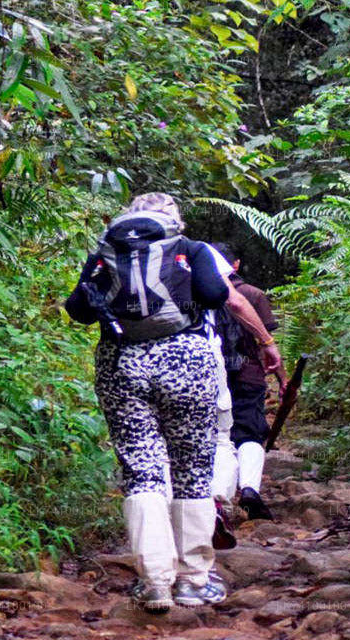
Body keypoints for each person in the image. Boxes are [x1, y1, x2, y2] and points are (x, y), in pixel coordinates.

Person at [64, 193, 236, 612]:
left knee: (142, 470)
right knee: (193, 467)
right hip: (185, 362)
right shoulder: (190, 249)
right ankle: (194, 580)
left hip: (121, 363)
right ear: (174, 219)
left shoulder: (107, 252)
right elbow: (215, 295)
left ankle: (155, 580)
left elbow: (78, 310)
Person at [209, 243, 281, 521]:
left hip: (210, 373)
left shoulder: (197, 291)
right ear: (234, 264)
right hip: (249, 374)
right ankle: (250, 488)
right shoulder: (253, 294)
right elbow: (267, 343)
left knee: (219, 437)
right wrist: (282, 377)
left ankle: (218, 502)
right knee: (250, 432)